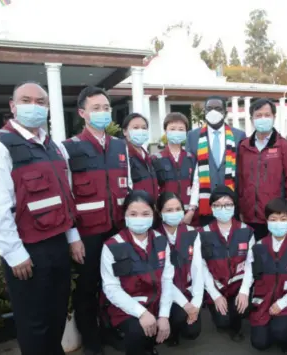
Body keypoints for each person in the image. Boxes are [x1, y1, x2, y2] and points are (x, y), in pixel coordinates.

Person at [0, 82, 82, 355]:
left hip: (58, 244)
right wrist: (14, 253)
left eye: (41, 101)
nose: (34, 106)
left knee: (57, 313)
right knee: (33, 322)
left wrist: (72, 236)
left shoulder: (54, 146)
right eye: (26, 100)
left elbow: (65, 196)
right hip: (28, 249)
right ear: (13, 106)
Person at [59, 86, 131, 355]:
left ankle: (110, 330)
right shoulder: (70, 149)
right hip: (87, 233)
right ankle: (92, 341)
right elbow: (66, 197)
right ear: (82, 113)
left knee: (114, 283)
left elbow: (128, 186)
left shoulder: (121, 147)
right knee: (87, 287)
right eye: (96, 108)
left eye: (106, 108)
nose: (102, 113)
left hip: (117, 230)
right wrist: (72, 237)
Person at [100, 190, 174, 355]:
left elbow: (167, 279)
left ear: (153, 215)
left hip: (155, 302)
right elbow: (111, 288)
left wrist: (163, 316)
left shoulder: (161, 240)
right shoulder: (112, 246)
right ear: (125, 215)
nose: (139, 218)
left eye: (145, 213)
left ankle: (149, 346)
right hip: (126, 309)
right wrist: (141, 313)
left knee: (181, 318)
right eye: (133, 213)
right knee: (137, 331)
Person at [237, 198, 287, 354]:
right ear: (267, 221)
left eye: (283, 219)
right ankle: (271, 330)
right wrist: (243, 291)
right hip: (264, 300)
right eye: (273, 219)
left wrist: (283, 303)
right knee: (259, 343)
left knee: (282, 331)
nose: (278, 223)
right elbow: (249, 272)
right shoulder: (258, 246)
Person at [200, 186, 255, 341]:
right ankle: (220, 315)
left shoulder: (247, 231)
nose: (222, 208)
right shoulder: (202, 233)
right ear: (211, 208)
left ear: (234, 206)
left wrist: (244, 291)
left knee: (242, 310)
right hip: (216, 287)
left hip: (238, 287)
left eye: (227, 204)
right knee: (223, 322)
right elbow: (201, 267)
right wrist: (215, 295)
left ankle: (236, 327)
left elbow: (250, 263)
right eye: (217, 205)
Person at [238, 98, 287, 240]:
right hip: (249, 215)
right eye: (258, 116)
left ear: (274, 117)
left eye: (267, 115)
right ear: (251, 119)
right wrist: (240, 208)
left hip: (275, 216)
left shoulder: (285, 147)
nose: (262, 119)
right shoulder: (243, 146)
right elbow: (240, 180)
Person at [185, 96, 246, 226]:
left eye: (218, 108)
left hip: (230, 201)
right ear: (205, 112)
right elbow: (191, 170)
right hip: (204, 202)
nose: (213, 112)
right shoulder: (192, 136)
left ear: (225, 112)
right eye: (209, 109)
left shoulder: (239, 135)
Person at [154, 192, 203, 345]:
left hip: (185, 290)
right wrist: (185, 304)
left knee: (192, 331)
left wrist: (196, 303)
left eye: (178, 209)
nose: (174, 213)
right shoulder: (153, 236)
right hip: (161, 293)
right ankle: (169, 332)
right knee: (177, 315)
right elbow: (163, 278)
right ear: (159, 212)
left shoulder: (192, 233)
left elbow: (197, 270)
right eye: (169, 210)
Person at [152, 113, 198, 225]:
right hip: (165, 215)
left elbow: (196, 186)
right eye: (172, 129)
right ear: (165, 131)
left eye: (181, 129)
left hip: (188, 214)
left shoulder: (191, 158)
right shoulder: (156, 159)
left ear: (186, 133)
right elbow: (154, 188)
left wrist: (191, 211)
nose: (176, 132)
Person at [122, 113, 159, 200]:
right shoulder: (122, 154)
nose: (140, 131)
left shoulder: (147, 156)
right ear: (125, 131)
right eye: (135, 128)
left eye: (144, 128)